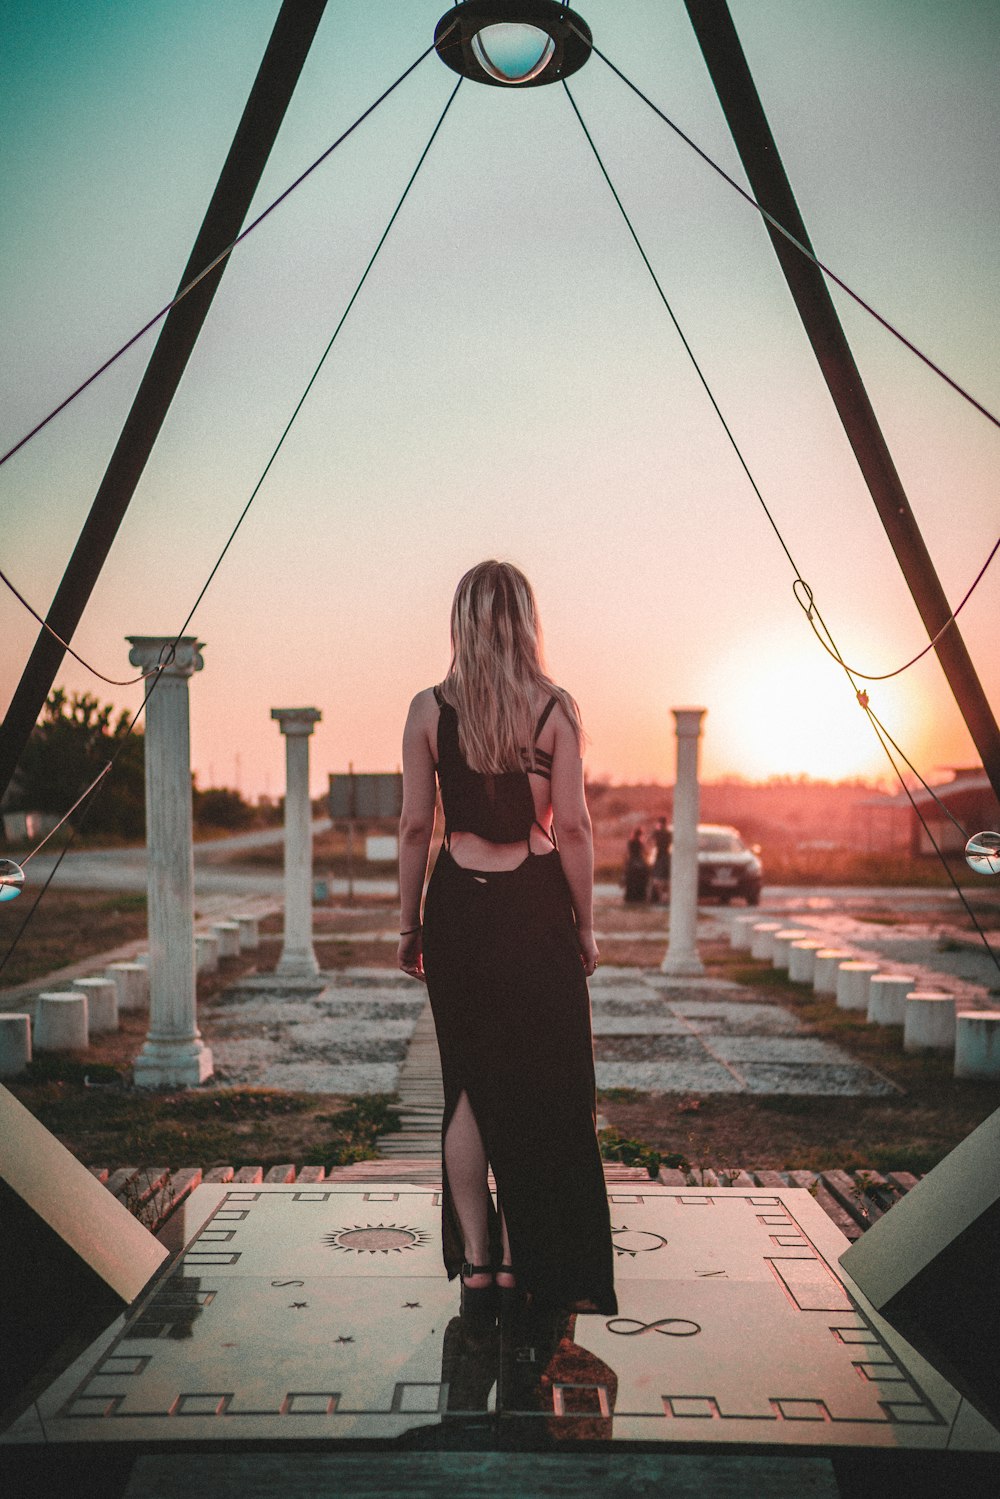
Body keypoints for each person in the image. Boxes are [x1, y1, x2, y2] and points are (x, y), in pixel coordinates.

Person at [397, 560, 617, 1317]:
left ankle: (479, 1266)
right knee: (541, 1088)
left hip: (457, 906)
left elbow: (413, 828)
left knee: (466, 1083)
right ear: (527, 619)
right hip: (533, 907)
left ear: (460, 620)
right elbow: (577, 828)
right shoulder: (554, 709)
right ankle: (527, 1259)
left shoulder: (429, 710)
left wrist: (407, 924)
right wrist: (586, 925)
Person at [623, 826, 649, 903]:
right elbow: (645, 853)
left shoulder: (630, 842)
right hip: (639, 861)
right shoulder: (640, 843)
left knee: (630, 881)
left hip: (632, 862)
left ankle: (630, 898)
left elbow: (627, 854)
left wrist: (625, 864)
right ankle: (640, 897)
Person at [649, 816, 671, 903]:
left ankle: (661, 896)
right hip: (665, 855)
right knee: (665, 878)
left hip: (660, 855)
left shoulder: (657, 832)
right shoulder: (668, 833)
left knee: (657, 877)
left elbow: (649, 840)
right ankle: (665, 896)